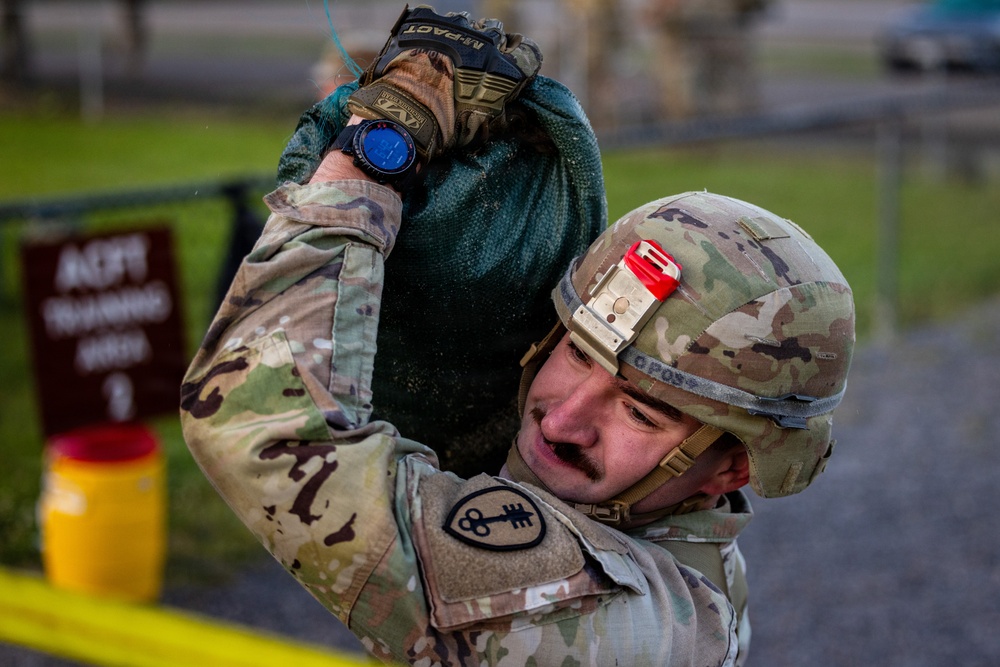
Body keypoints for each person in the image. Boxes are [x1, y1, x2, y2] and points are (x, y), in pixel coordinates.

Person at [180, 7, 854, 666]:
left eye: (640, 411)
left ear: (736, 466)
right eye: (577, 351)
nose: (562, 416)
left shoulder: (630, 622)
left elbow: (260, 425)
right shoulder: (638, 517)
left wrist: (372, 153)